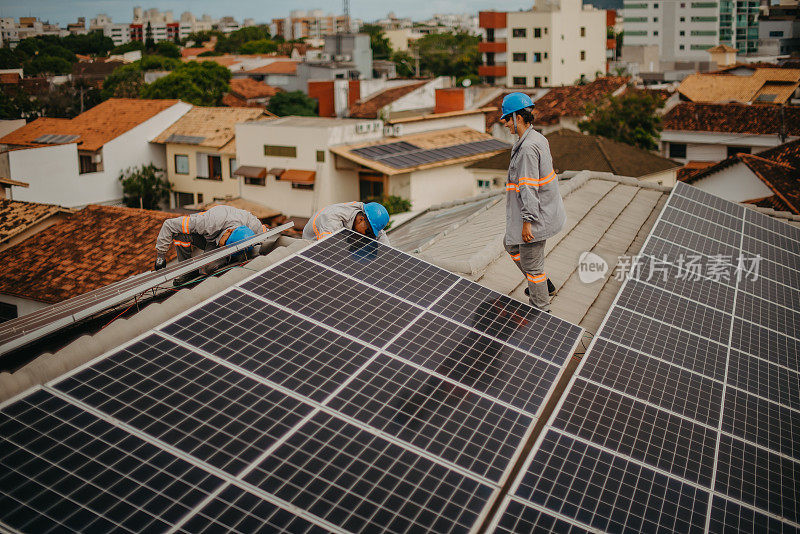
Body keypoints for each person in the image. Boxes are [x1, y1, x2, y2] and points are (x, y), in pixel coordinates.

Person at [500, 92, 566, 312]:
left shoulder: (527, 148)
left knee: (533, 266)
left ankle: (542, 309)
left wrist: (528, 222)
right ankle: (542, 284)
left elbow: (528, 186)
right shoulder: (535, 138)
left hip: (535, 215)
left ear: (518, 117)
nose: (506, 124)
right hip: (539, 211)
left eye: (507, 119)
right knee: (510, 244)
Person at [154, 205, 266, 282]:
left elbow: (267, 236)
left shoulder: (253, 224)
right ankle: (187, 271)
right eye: (226, 244)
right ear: (229, 231)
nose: (224, 247)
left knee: (212, 267)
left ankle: (230, 258)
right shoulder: (206, 223)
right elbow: (168, 225)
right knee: (181, 236)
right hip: (210, 236)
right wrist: (160, 255)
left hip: (223, 236)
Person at [303, 201, 391, 245]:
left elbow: (380, 234)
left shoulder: (366, 215)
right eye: (368, 231)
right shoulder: (331, 220)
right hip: (311, 245)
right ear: (360, 219)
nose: (367, 235)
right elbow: (328, 249)